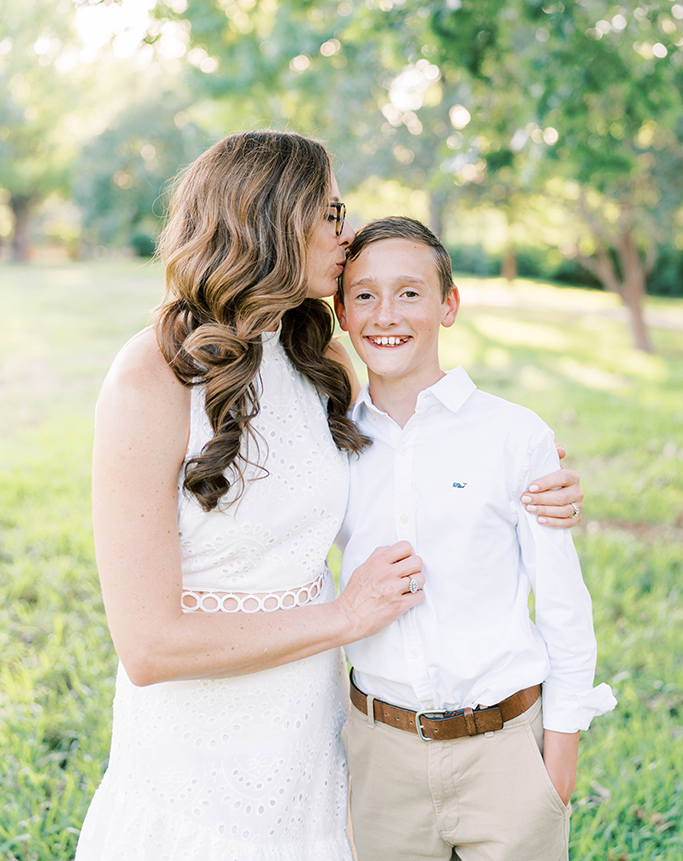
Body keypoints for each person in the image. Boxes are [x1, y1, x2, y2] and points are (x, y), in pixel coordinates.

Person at [75, 131, 584, 861]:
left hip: (311, 732)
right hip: (196, 742)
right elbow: (147, 647)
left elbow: (410, 458)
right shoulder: (149, 377)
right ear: (275, 221)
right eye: (331, 214)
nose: (346, 237)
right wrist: (344, 616)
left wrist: (526, 474)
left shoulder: (319, 362)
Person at [334, 217, 617, 861]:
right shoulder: (333, 444)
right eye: (365, 294)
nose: (386, 314)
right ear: (342, 313)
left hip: (506, 750)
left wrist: (560, 756)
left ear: (449, 305)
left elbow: (564, 605)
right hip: (381, 751)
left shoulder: (514, 437)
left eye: (410, 292)